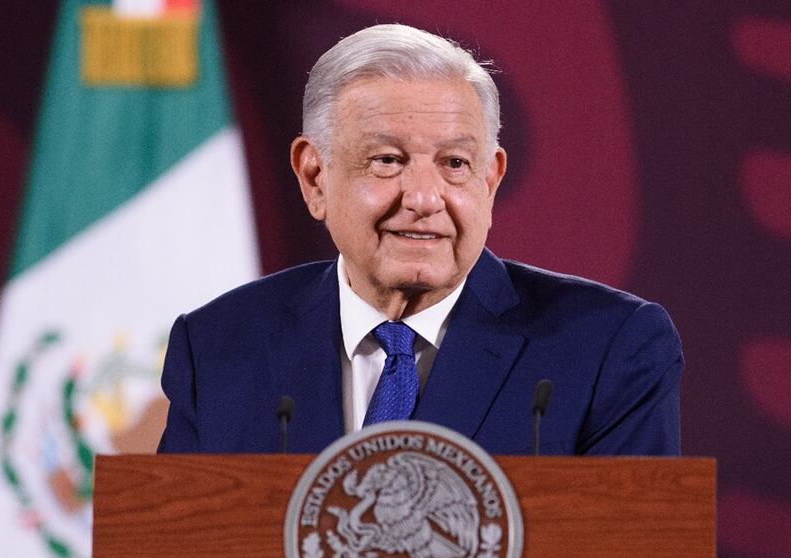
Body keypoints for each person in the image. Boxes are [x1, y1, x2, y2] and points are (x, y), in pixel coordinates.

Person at [158, 24, 682, 455]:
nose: (426, 198)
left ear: (490, 180)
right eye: (387, 160)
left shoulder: (609, 349)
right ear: (315, 177)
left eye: (455, 164)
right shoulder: (217, 349)